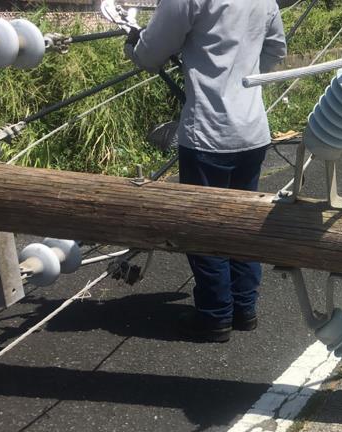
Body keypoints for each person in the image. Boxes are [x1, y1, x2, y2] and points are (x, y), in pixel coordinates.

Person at [124, 0, 287, 342]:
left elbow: (150, 54)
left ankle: (215, 315)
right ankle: (244, 308)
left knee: (203, 228)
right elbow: (275, 50)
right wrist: (241, 80)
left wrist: (133, 45)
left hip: (208, 135)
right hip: (252, 130)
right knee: (244, 223)